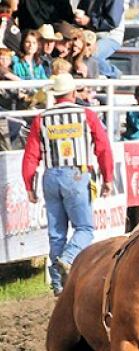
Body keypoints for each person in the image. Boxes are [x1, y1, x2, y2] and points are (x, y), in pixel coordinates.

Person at [21, 73, 114, 296]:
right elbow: (102, 148)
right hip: (77, 174)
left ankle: (57, 284)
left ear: (55, 94)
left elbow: (31, 155)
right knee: (84, 228)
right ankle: (68, 258)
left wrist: (28, 185)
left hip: (51, 175)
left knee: (56, 233)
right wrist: (108, 178)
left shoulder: (42, 118)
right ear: (73, 93)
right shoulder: (86, 115)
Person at [74, 0, 125, 78]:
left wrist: (89, 21)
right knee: (72, 51)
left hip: (110, 35)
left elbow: (112, 22)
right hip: (89, 34)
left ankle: (114, 74)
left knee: (90, 55)